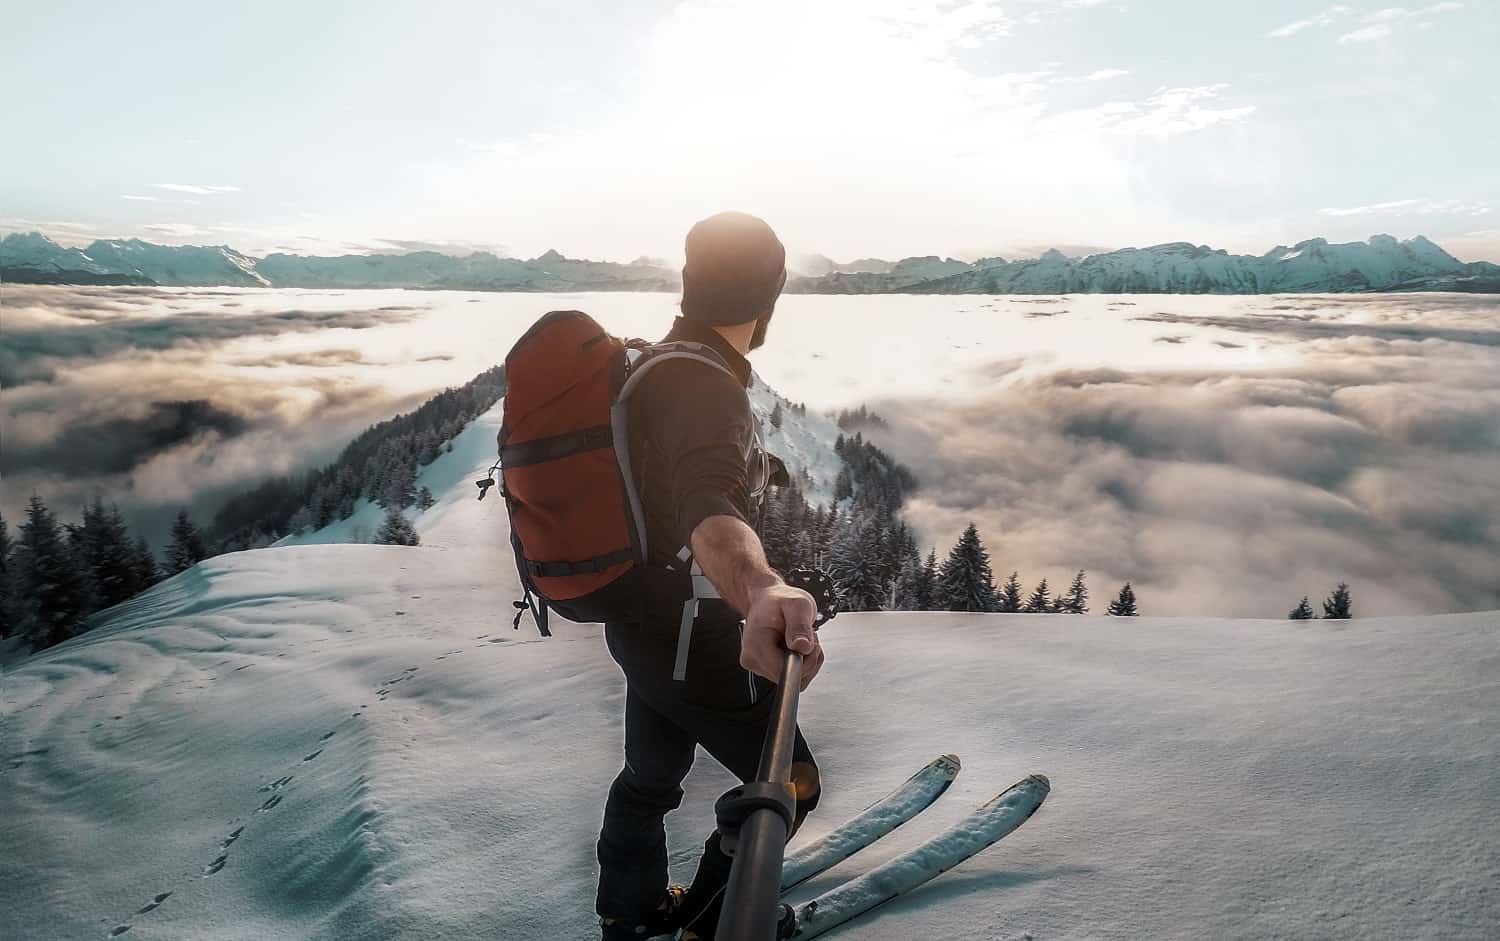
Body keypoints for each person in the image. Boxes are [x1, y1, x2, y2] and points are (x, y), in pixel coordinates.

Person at [596, 212, 826, 940]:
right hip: (694, 634)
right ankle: (710, 918)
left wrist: (756, 469)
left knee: (651, 777)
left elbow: (681, 483)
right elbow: (706, 505)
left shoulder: (655, 364)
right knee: (789, 781)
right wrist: (759, 584)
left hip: (640, 624)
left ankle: (630, 914)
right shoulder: (705, 387)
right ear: (770, 297)